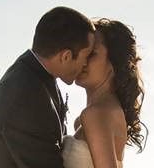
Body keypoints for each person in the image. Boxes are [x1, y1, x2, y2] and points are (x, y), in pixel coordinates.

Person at [0, 6, 96, 168]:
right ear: (66, 56)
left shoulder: (36, 77)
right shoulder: (24, 96)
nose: (86, 64)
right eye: (86, 56)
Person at [62, 18, 146, 168]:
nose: (83, 61)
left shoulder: (96, 114)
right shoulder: (108, 110)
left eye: (91, 54)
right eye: (82, 52)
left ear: (114, 62)